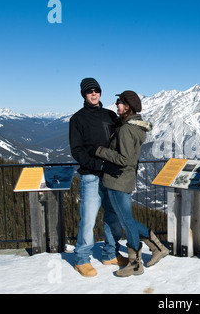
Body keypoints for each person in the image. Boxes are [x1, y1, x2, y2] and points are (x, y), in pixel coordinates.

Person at [94, 90, 169, 277]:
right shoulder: (133, 127)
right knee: (126, 219)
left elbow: (125, 159)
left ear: (127, 106)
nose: (117, 104)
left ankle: (135, 264)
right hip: (124, 180)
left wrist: (101, 151)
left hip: (118, 180)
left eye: (119, 102)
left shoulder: (126, 129)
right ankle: (157, 247)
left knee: (126, 221)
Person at [69, 78, 128, 277]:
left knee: (113, 216)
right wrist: (97, 164)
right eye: (89, 91)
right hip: (91, 176)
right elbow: (77, 151)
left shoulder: (110, 115)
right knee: (88, 219)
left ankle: (110, 253)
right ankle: (82, 259)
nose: (93, 94)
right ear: (84, 95)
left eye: (96, 90)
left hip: (111, 176)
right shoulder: (77, 119)